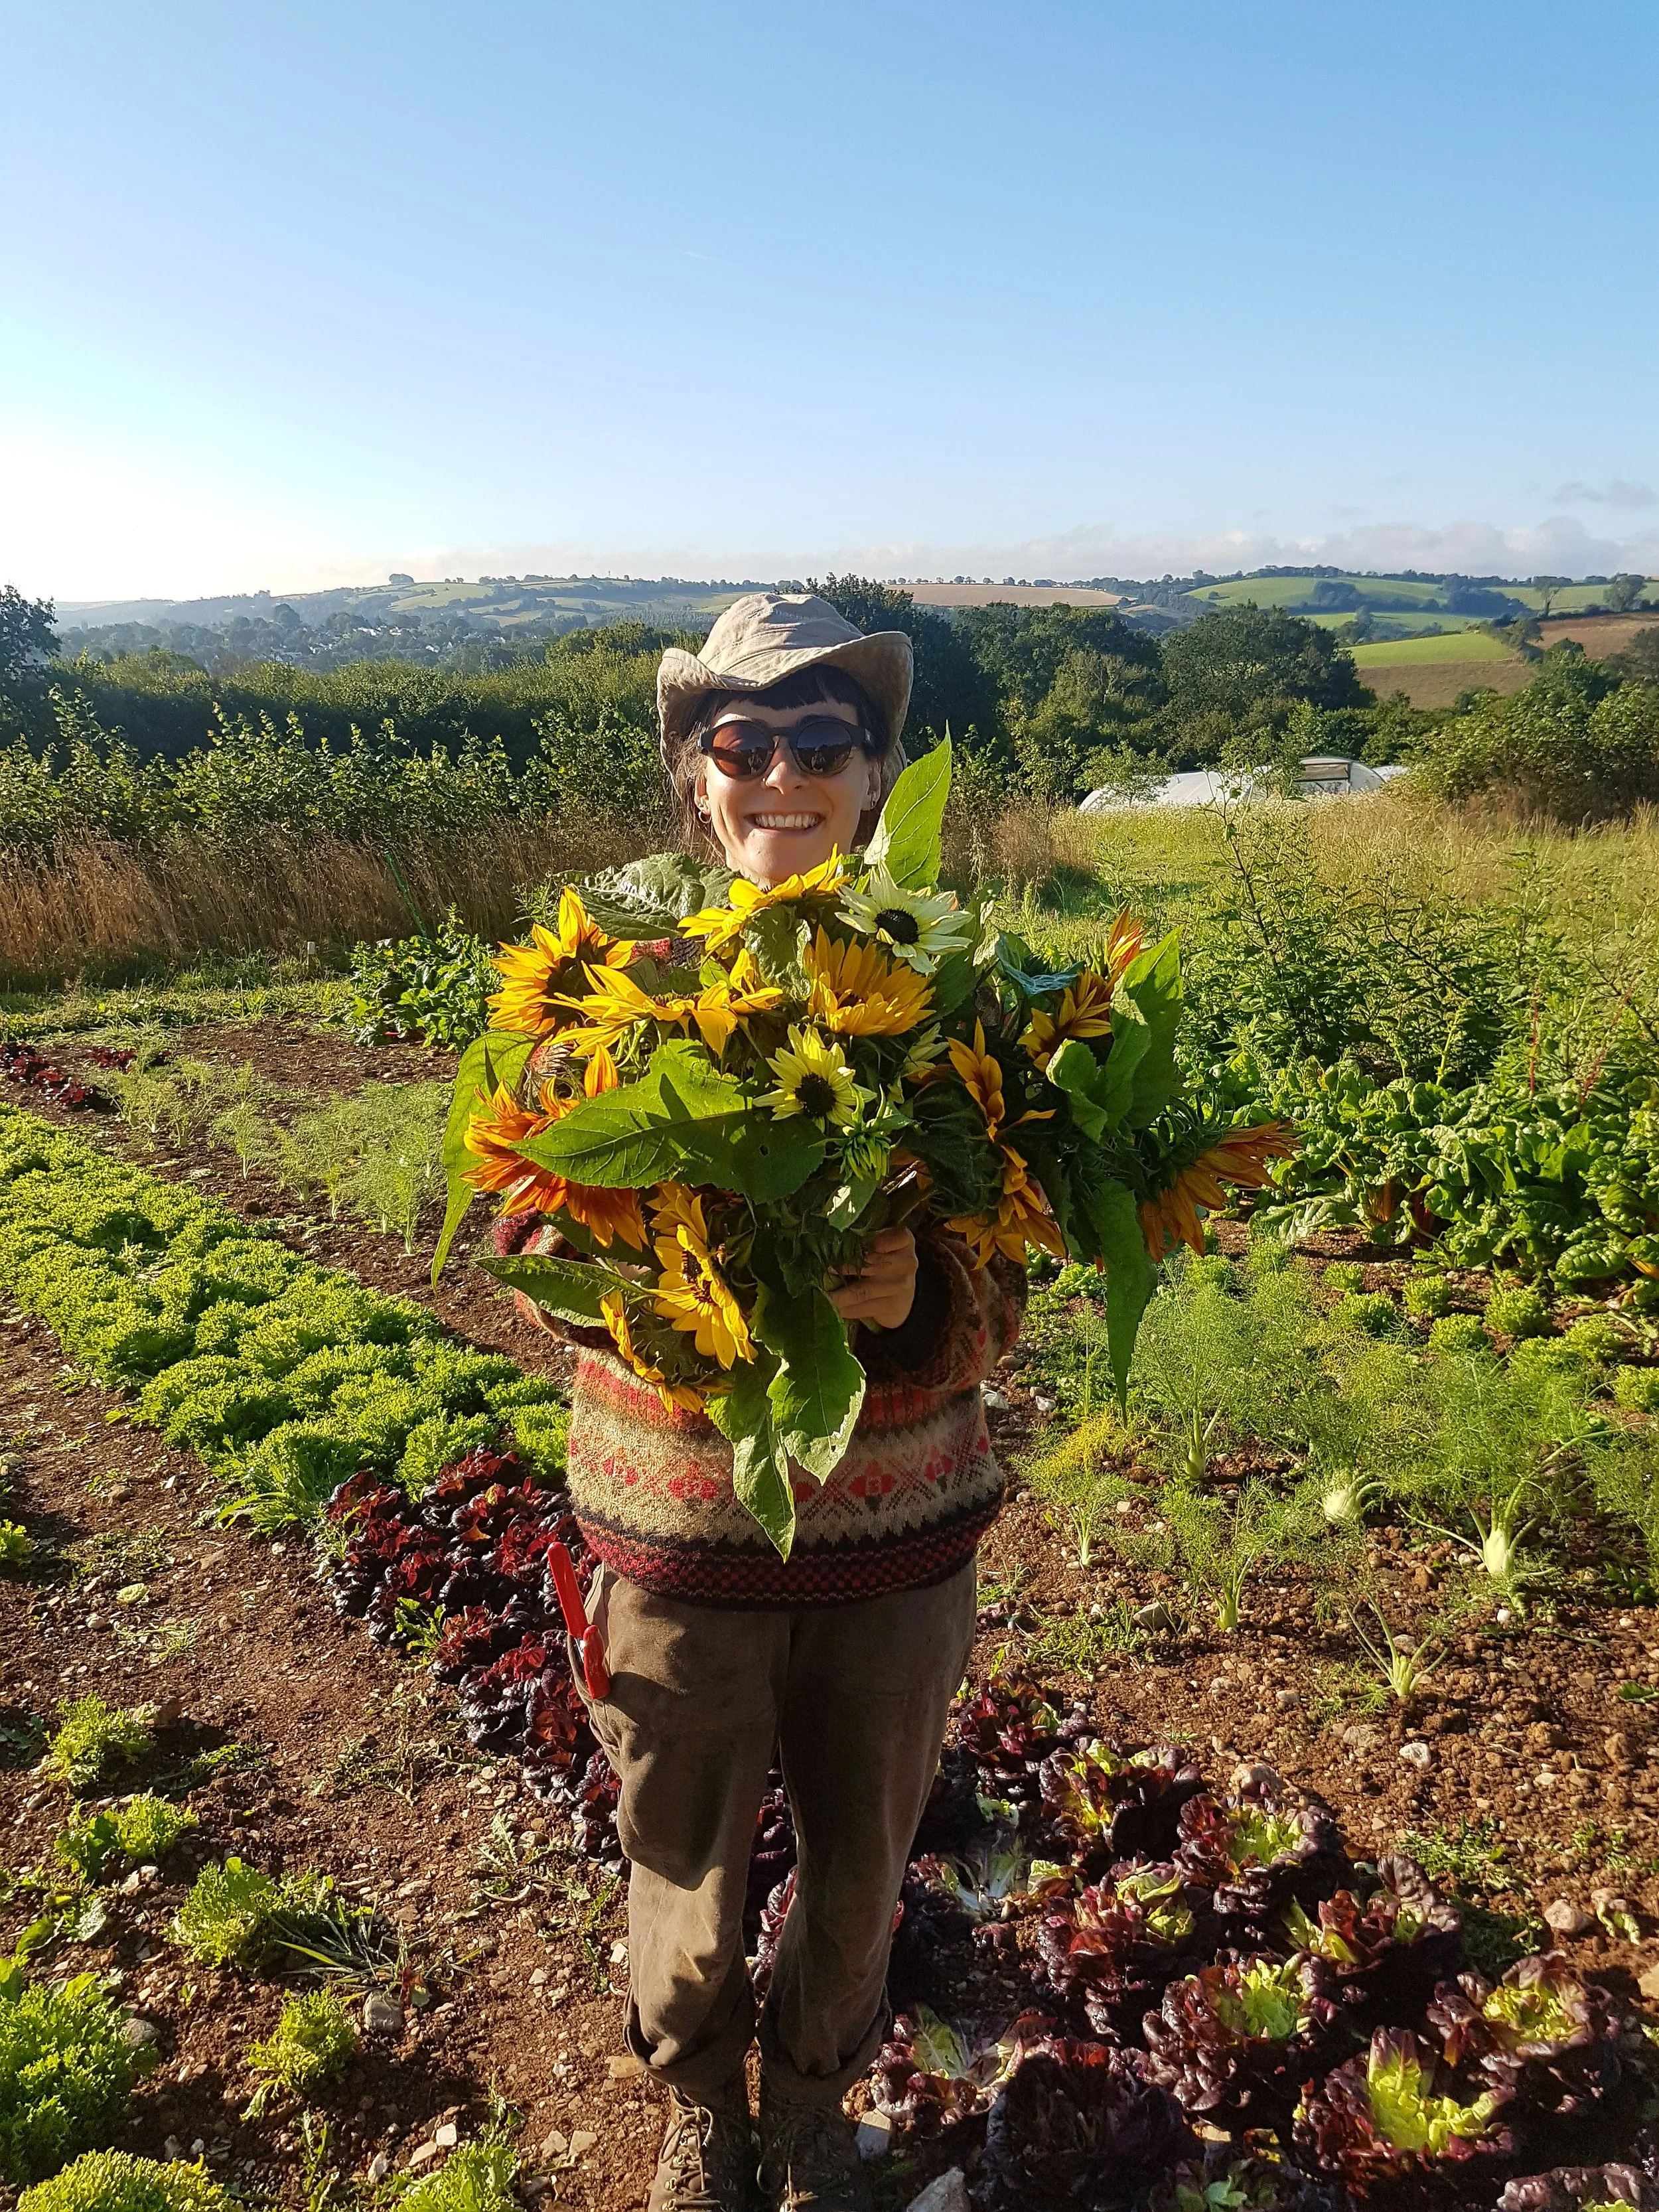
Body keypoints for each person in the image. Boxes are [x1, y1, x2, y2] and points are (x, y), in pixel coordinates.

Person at [516, 595, 1025, 2212]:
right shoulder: (602, 980)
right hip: (679, 1530)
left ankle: (807, 2102)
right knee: (679, 1849)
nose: (781, 776)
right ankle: (700, 2113)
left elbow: (1016, 1269)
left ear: (875, 776)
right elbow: (529, 1227)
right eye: (743, 743)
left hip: (893, 1536)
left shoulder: (953, 988)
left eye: (825, 742)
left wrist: (921, 1298)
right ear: (692, 777)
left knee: (863, 1858)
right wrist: (669, 1280)